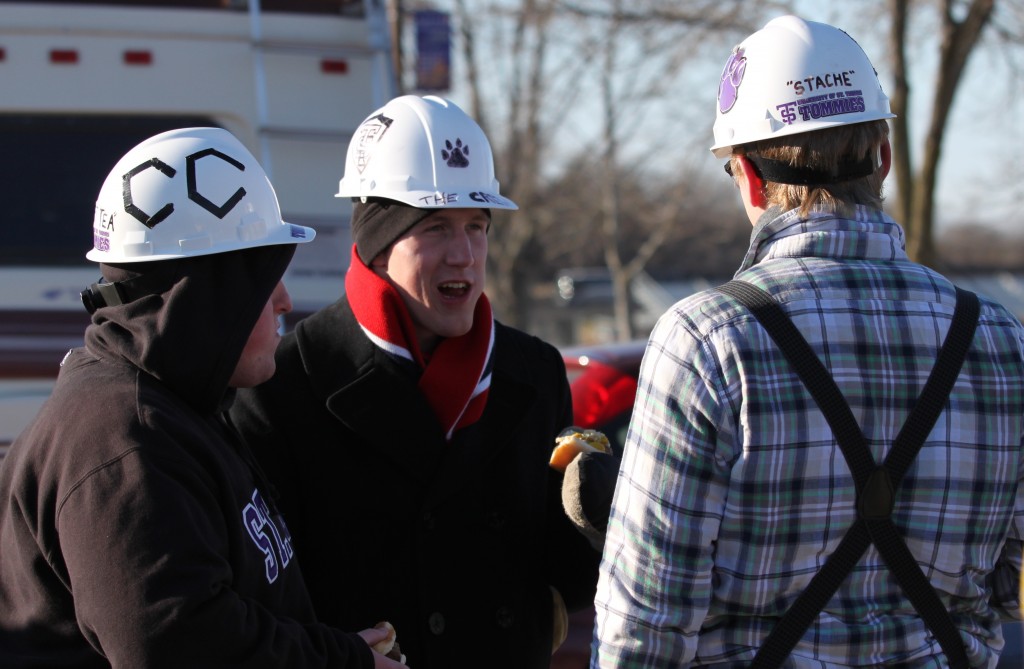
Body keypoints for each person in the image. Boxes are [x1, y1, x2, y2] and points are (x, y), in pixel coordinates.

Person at [592, 15, 1024, 668]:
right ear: (882, 156)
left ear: (749, 176)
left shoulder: (708, 342)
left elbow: (644, 631)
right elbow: (1011, 577)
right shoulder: (999, 341)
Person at [0, 127, 405, 668]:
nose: (285, 300)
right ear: (210, 299)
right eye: (265, 280)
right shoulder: (124, 441)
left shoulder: (177, 408)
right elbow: (176, 643)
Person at [228, 95, 602, 668]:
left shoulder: (533, 371)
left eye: (477, 226)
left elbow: (560, 580)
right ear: (378, 246)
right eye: (435, 228)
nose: (464, 255)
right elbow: (266, 609)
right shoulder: (284, 385)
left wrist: (600, 527)